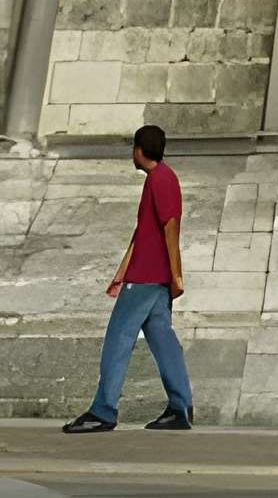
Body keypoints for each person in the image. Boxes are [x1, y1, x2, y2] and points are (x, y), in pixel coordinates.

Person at [64, 123, 193, 433]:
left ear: (138, 150)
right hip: (148, 277)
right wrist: (120, 273)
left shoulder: (161, 179)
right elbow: (143, 232)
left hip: (148, 278)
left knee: (117, 340)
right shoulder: (161, 178)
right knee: (162, 340)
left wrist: (176, 275)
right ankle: (180, 407)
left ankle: (103, 410)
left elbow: (170, 228)